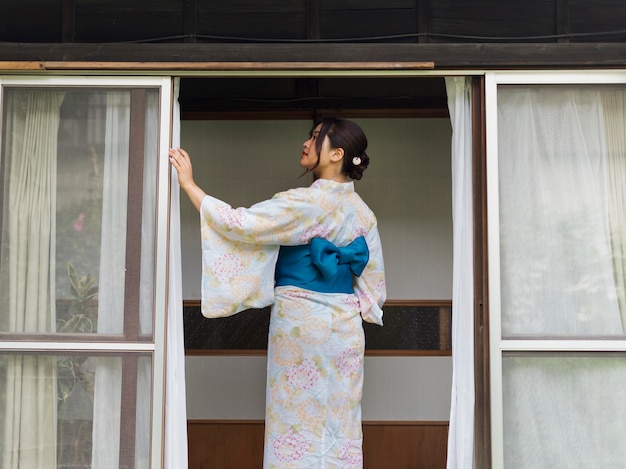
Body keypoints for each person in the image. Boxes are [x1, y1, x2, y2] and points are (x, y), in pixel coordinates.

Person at [169, 117, 386, 468]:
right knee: (340, 420)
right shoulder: (364, 214)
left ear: (337, 155)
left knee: (294, 418)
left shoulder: (305, 203)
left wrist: (191, 186)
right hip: (345, 329)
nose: (307, 142)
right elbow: (374, 289)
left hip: (300, 321)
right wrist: (342, 304)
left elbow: (241, 226)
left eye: (317, 138)